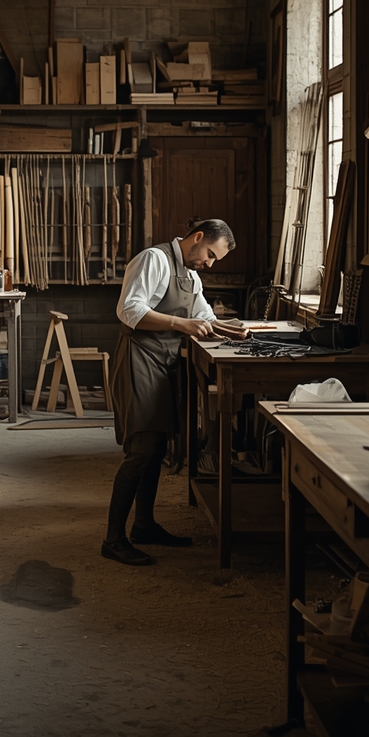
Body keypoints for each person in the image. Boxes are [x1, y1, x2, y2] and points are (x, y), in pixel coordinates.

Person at [101, 218, 246, 566]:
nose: (209, 264)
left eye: (215, 260)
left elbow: (203, 315)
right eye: (209, 254)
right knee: (141, 447)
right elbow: (129, 310)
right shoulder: (154, 259)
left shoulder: (191, 275)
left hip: (164, 363)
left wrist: (230, 330)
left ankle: (145, 525)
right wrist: (180, 324)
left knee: (158, 446)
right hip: (139, 358)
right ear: (197, 238)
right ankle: (113, 539)